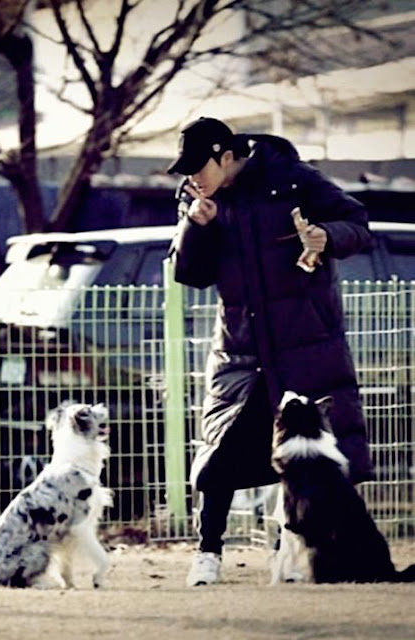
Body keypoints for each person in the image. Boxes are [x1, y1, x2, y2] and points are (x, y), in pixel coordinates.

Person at [166, 116, 374, 587]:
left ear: (226, 156)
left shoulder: (293, 179)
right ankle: (207, 552)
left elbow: (359, 225)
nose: (192, 177)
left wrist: (328, 236)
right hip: (239, 347)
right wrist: (196, 226)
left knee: (306, 455)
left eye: (199, 166)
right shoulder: (196, 198)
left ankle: (289, 551)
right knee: (219, 453)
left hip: (305, 343)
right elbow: (190, 274)